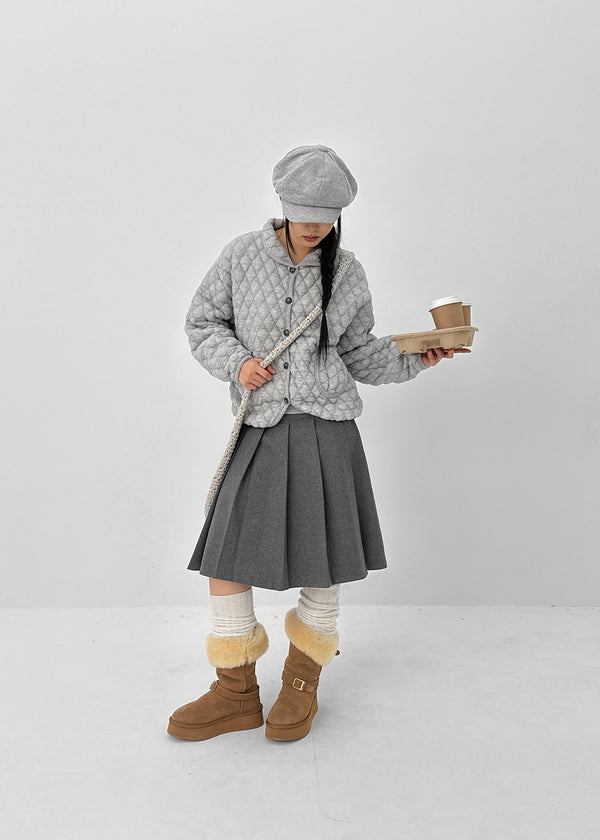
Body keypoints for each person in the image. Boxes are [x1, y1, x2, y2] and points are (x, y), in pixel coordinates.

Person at [167, 144, 464, 743]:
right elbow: (202, 324)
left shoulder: (347, 271)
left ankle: (302, 681)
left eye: (325, 217)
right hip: (260, 427)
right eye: (303, 213)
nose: (312, 226)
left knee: (322, 560)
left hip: (327, 430)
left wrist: (420, 357)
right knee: (225, 557)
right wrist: (238, 363)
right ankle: (235, 691)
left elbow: (359, 354)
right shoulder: (240, 255)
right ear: (282, 202)